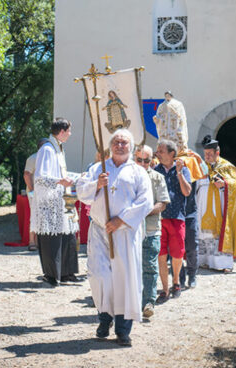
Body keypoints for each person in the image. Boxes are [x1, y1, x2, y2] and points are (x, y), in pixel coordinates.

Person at [76, 129, 153, 347]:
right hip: (100, 230)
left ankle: (122, 329)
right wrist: (96, 185)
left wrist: (122, 220)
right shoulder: (98, 169)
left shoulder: (138, 173)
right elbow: (81, 192)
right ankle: (104, 316)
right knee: (100, 276)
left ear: (131, 147)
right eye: (117, 142)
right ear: (110, 146)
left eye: (124, 142)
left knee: (124, 280)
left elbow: (146, 201)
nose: (120, 145)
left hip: (125, 233)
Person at [33, 118, 79, 286]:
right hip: (50, 202)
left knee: (68, 235)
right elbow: (40, 177)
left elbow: (62, 172)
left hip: (62, 199)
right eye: (69, 131)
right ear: (62, 131)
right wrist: (60, 181)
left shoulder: (58, 148)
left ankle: (67, 272)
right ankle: (52, 275)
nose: (70, 134)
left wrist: (75, 177)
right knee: (51, 238)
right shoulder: (47, 149)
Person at [196, 135, 236, 272]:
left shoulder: (227, 167)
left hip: (220, 207)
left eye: (210, 154)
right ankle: (204, 260)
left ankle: (222, 263)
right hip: (203, 205)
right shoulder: (202, 167)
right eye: (205, 154)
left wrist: (224, 184)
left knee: (218, 233)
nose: (207, 157)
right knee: (203, 233)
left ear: (218, 153)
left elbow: (235, 185)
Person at [153, 139, 192, 303]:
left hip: (177, 216)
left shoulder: (183, 169)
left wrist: (179, 173)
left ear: (171, 154)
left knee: (177, 253)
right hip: (159, 218)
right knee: (161, 255)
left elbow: (187, 191)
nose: (158, 154)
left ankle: (176, 281)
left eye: (161, 151)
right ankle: (165, 288)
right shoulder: (155, 170)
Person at [133, 145, 169, 319]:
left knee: (150, 265)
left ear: (151, 160)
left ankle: (149, 302)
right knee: (131, 267)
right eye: (139, 159)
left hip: (151, 229)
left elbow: (162, 203)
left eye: (146, 160)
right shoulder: (127, 177)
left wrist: (142, 210)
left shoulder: (157, 178)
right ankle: (132, 302)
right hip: (130, 230)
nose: (142, 163)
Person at [24, 138, 50, 251]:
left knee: (45, 216)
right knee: (35, 215)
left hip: (46, 192)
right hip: (36, 192)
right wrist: (32, 190)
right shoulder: (33, 158)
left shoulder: (48, 158)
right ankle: (32, 241)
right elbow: (27, 174)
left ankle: (41, 242)